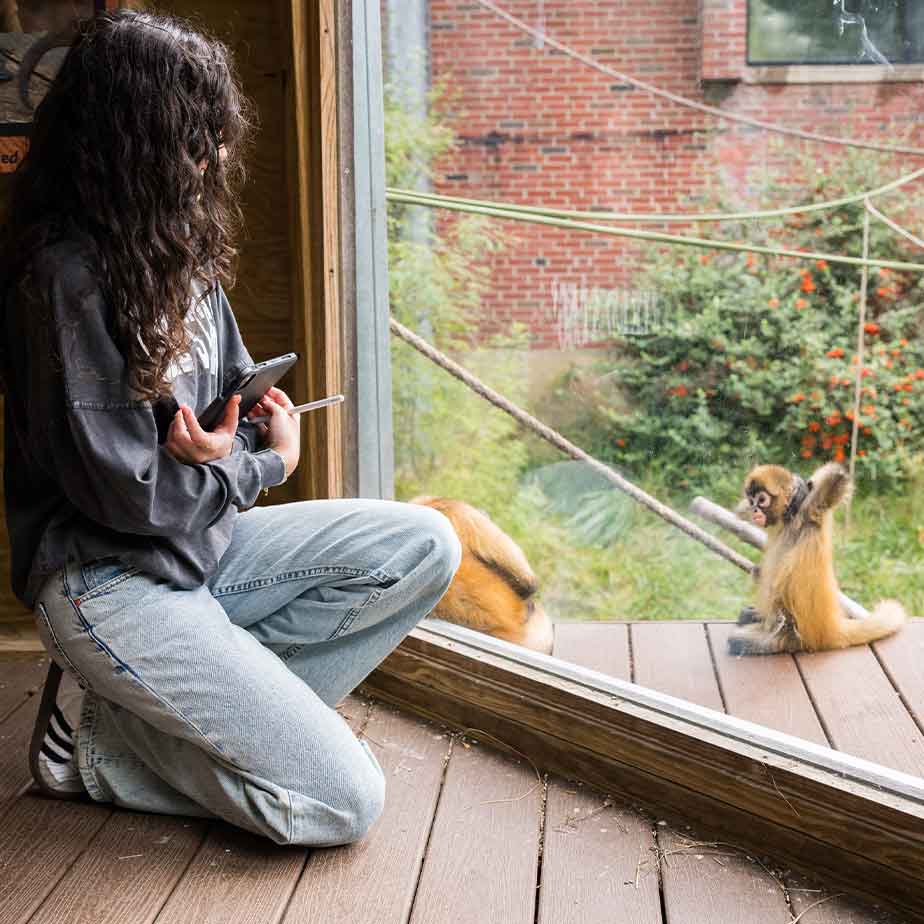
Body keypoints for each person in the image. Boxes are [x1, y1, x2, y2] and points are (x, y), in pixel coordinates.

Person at [0, 9, 462, 846]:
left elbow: (229, 411)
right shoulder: (63, 279)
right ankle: (97, 747)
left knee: (426, 545)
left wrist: (246, 438)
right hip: (107, 582)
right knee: (343, 803)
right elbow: (132, 494)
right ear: (123, 144)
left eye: (213, 136)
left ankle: (169, 714)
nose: (210, 158)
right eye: (190, 140)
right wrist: (259, 468)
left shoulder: (175, 251)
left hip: (204, 552)